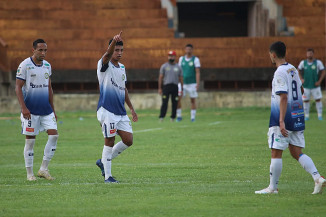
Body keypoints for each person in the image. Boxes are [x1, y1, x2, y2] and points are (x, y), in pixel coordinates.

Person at [255, 41, 325, 195]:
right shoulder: (292, 68)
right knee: (296, 152)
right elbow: (300, 89)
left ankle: (273, 188)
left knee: (276, 152)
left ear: (273, 55)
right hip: (296, 116)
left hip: (283, 118)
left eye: (269, 54)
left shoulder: (279, 72)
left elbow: (284, 97)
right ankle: (318, 177)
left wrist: (281, 120)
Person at [95, 31, 138, 183]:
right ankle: (108, 177)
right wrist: (113, 41)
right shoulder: (104, 64)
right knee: (110, 141)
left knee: (128, 140)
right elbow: (107, 55)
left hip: (120, 111)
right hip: (107, 109)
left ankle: (102, 161)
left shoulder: (122, 68)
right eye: (116, 50)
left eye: (121, 50)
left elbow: (123, 88)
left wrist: (131, 108)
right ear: (111, 49)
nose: (119, 53)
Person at [15, 39, 59, 181]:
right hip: (30, 110)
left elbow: (49, 88)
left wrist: (53, 109)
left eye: (45, 50)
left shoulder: (47, 66)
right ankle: (29, 174)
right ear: (33, 50)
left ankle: (43, 169)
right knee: (30, 141)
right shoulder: (25, 65)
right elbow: (18, 87)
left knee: (54, 135)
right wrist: (23, 108)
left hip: (46, 110)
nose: (43, 53)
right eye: (40, 50)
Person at [298, 48, 325, 120]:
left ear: (313, 54)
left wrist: (319, 81)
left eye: (311, 53)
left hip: (315, 85)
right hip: (306, 85)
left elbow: (323, 72)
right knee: (306, 101)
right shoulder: (303, 63)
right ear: (306, 54)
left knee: (318, 99)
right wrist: (301, 79)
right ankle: (306, 116)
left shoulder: (318, 62)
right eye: (308, 53)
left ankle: (319, 115)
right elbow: (298, 70)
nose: (309, 54)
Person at [177, 44, 201, 122]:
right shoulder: (181, 59)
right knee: (178, 99)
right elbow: (179, 71)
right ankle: (179, 116)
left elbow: (197, 72)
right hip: (182, 83)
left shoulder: (195, 59)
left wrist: (197, 83)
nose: (188, 51)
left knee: (192, 100)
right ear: (185, 50)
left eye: (190, 49)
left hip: (192, 83)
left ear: (192, 50)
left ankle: (193, 117)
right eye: (187, 49)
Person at [158, 50, 183, 122]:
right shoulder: (164, 66)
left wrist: (182, 88)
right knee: (164, 102)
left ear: (175, 57)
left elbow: (181, 78)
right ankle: (162, 117)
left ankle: (173, 117)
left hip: (175, 86)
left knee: (175, 102)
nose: (171, 57)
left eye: (172, 56)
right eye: (169, 56)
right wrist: (160, 88)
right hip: (166, 86)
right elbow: (160, 78)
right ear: (168, 57)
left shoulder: (178, 67)